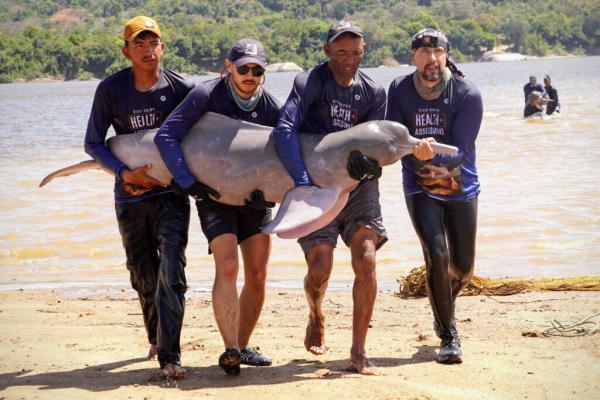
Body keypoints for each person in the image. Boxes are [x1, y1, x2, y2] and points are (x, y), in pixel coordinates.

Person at [154, 38, 281, 376]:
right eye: (244, 68)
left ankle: (241, 345)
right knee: (227, 267)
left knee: (257, 274)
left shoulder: (271, 107)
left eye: (257, 70)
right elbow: (166, 137)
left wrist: (270, 196)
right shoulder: (205, 96)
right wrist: (188, 182)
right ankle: (229, 348)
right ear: (229, 66)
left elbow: (291, 153)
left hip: (255, 201)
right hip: (215, 198)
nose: (250, 75)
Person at [272, 19, 387, 375]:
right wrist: (303, 180)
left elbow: (378, 145)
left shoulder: (373, 92)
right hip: (316, 186)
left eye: (355, 52)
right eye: (340, 52)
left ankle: (358, 351)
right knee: (319, 268)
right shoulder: (310, 82)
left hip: (357, 190)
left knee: (365, 260)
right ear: (326, 51)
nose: (348, 59)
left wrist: (371, 165)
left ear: (363, 51)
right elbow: (284, 129)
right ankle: (316, 313)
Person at [84, 16, 195, 378]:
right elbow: (93, 143)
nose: (148, 51)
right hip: (130, 196)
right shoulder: (111, 90)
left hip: (171, 195)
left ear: (162, 47)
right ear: (126, 51)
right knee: (143, 276)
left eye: (153, 43)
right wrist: (122, 172)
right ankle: (155, 335)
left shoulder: (181, 88)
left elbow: (206, 138)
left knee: (172, 270)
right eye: (139, 44)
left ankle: (170, 355)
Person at [385, 26, 483, 364]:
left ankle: (442, 303)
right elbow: (393, 142)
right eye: (424, 53)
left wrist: (431, 154)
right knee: (436, 254)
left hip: (461, 187)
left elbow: (461, 150)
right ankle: (448, 333)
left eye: (438, 52)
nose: (432, 59)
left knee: (464, 268)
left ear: (446, 55)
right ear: (412, 57)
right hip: (419, 185)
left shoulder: (467, 93)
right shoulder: (398, 90)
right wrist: (415, 157)